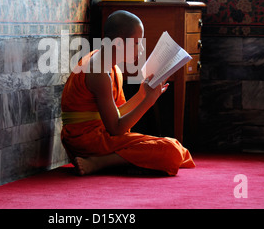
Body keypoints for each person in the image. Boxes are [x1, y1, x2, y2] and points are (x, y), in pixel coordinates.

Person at [61, 10, 195, 176]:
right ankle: (100, 162)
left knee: (177, 148)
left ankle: (113, 160)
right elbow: (116, 128)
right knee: (171, 151)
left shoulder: (111, 67)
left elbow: (115, 115)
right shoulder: (99, 73)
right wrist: (149, 101)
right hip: (86, 140)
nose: (141, 48)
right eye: (137, 43)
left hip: (97, 135)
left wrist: (141, 95)